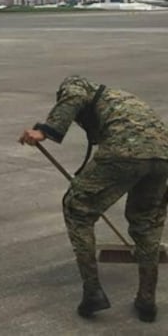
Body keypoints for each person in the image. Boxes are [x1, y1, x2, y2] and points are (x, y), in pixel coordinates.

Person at [18, 76, 168, 322]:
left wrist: (46, 131)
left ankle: (93, 293)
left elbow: (73, 95)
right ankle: (147, 300)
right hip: (162, 157)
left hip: (124, 151)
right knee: (147, 224)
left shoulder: (77, 86)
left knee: (77, 209)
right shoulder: (121, 97)